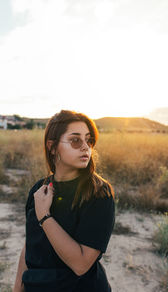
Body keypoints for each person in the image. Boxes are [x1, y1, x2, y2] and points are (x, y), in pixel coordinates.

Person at [13, 110, 115, 292]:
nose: (85, 147)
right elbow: (30, 245)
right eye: (76, 140)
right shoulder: (39, 190)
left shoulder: (98, 193)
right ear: (52, 147)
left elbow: (81, 264)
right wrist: (17, 289)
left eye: (88, 140)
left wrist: (44, 216)